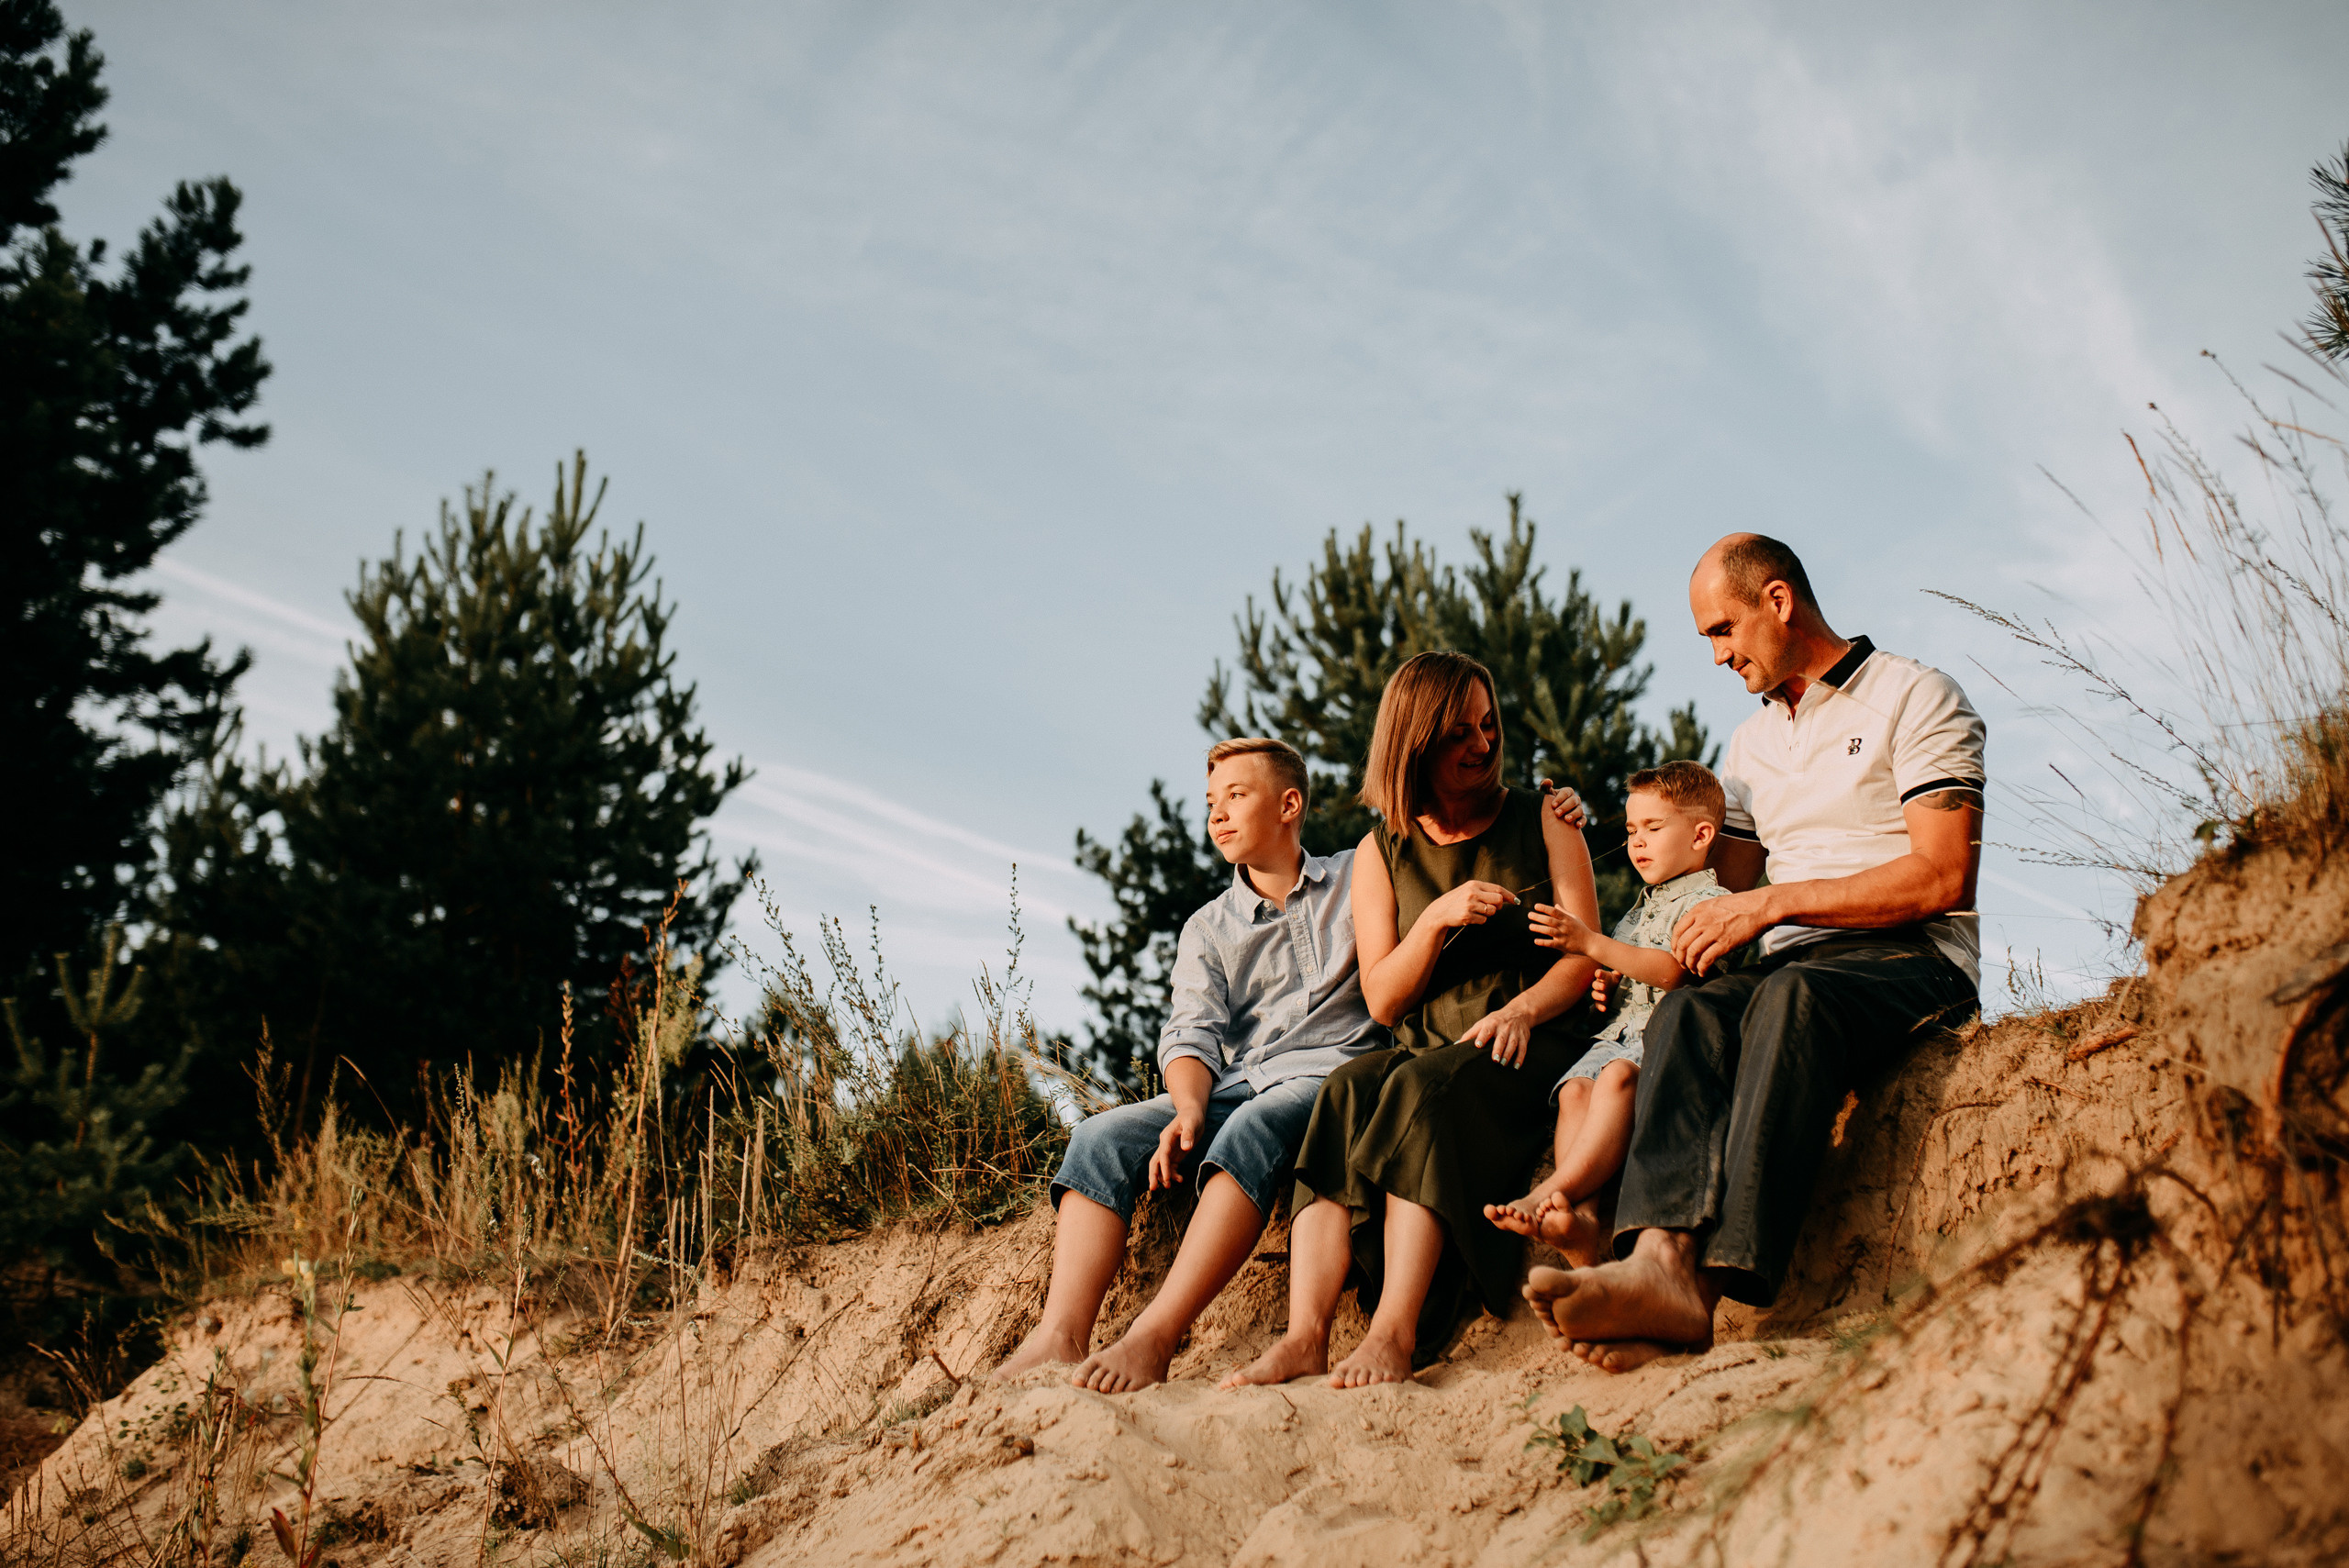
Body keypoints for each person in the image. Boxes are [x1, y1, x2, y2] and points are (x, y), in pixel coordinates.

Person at [1525, 533, 1985, 1372]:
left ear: (1777, 601)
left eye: (1721, 630)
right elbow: (1714, 898)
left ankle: (1718, 1279)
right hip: (1791, 960)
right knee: (1693, 1009)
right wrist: (1625, 960)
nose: (1717, 654)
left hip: (1911, 956)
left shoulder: (1916, 695)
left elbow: (1944, 874)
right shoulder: (1748, 747)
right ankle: (1661, 1264)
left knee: (1791, 995)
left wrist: (1777, 901)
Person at [1220, 651, 1602, 1392]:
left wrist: (1523, 1008)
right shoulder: (1379, 850)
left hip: (1528, 1036)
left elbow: (1583, 955)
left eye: (1489, 725)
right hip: (1427, 1043)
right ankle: (1307, 1334)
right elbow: (1384, 1000)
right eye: (1459, 731)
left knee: (1419, 1089)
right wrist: (1434, 921)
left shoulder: (1547, 818)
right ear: (1414, 741)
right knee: (1346, 1090)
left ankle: (1395, 1334)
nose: (1483, 745)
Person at [993, 737, 1385, 1392]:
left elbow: (1435, 833)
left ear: (1290, 805)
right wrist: (1190, 1106)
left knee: (1252, 1126)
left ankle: (1155, 1337)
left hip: (1335, 1073)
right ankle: (1060, 1332)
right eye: (1210, 801)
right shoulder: (1209, 926)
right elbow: (1190, 1033)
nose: (1217, 814)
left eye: (1236, 795)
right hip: (1242, 1081)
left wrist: (1559, 809)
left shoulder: (1356, 875)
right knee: (1098, 1137)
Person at [1485, 761, 1732, 1267]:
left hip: (1666, 1041)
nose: (1637, 842)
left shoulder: (1714, 903)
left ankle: (1554, 1190)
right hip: (1618, 1036)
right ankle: (1582, 1218)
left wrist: (1590, 944)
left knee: (1617, 1077)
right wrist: (1607, 985)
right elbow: (1630, 971)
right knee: (1576, 1089)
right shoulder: (1637, 911)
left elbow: (1674, 972)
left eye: (1654, 828)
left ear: (1701, 834)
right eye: (1630, 831)